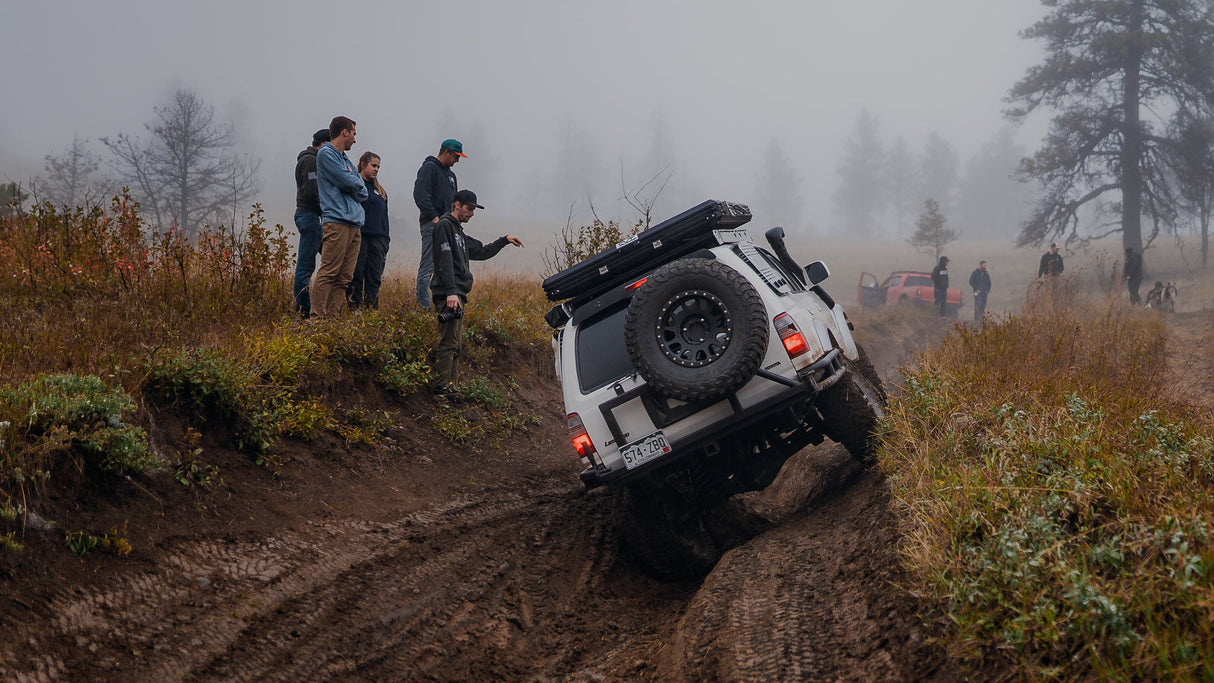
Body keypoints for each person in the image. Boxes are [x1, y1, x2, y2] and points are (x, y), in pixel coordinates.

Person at [430, 189, 523, 394]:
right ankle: (442, 391)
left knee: (456, 345)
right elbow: (445, 260)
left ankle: (452, 389)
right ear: (457, 205)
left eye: (473, 210)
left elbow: (482, 251)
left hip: (458, 295)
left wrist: (505, 240)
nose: (471, 213)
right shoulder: (445, 226)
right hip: (449, 294)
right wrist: (451, 292)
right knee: (448, 343)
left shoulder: (458, 232)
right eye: (469, 208)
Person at [311, 116, 367, 319]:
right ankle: (317, 318)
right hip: (336, 222)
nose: (355, 139)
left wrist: (355, 182)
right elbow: (349, 182)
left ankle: (332, 318)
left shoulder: (346, 160)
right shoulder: (327, 154)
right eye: (353, 134)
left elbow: (362, 191)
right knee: (329, 271)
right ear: (345, 132)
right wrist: (354, 182)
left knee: (344, 277)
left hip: (354, 223)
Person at [413, 139, 463, 309]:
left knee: (446, 266)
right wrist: (434, 218)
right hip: (432, 225)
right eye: (456, 156)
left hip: (449, 226)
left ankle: (440, 304)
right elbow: (420, 195)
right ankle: (423, 307)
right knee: (428, 266)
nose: (457, 160)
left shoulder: (451, 176)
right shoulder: (429, 168)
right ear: (447, 152)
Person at [292, 128, 330, 317]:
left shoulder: (307, 159)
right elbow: (311, 190)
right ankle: (303, 309)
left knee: (327, 261)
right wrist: (327, 209)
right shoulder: (311, 161)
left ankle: (310, 306)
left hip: (308, 215)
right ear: (323, 143)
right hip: (309, 215)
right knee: (306, 266)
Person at [347, 151, 389, 309]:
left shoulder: (381, 191)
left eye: (378, 166)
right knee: (356, 275)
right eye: (373, 165)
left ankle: (371, 311)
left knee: (374, 277)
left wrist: (386, 239)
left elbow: (385, 217)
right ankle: (354, 310)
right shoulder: (356, 186)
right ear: (363, 164)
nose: (376, 169)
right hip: (360, 236)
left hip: (379, 239)